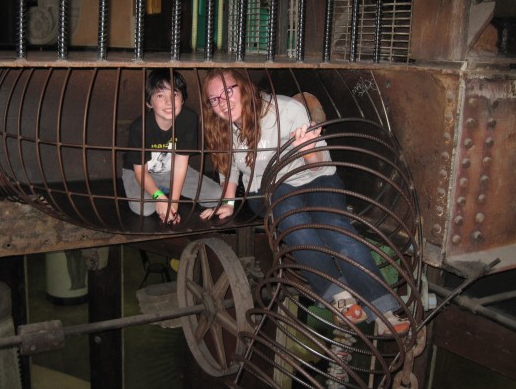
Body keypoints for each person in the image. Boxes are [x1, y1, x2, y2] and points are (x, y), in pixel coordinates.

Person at [199, 68, 408, 334]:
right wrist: (227, 203)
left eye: (228, 92)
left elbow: (316, 164)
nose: (222, 103)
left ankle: (383, 311)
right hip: (266, 190)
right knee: (293, 218)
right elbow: (229, 171)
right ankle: (339, 295)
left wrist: (308, 153)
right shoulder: (221, 128)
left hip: (314, 177)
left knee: (334, 225)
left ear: (244, 86)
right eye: (214, 99)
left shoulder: (286, 110)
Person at [123, 69, 223, 225]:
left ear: (183, 99)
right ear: (149, 102)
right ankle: (160, 191)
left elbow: (181, 165)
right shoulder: (139, 127)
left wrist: (173, 204)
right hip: (140, 173)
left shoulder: (188, 119)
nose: (169, 102)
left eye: (174, 94)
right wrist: (160, 198)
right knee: (145, 209)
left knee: (216, 195)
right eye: (160, 95)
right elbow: (140, 172)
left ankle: (166, 191)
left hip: (172, 170)